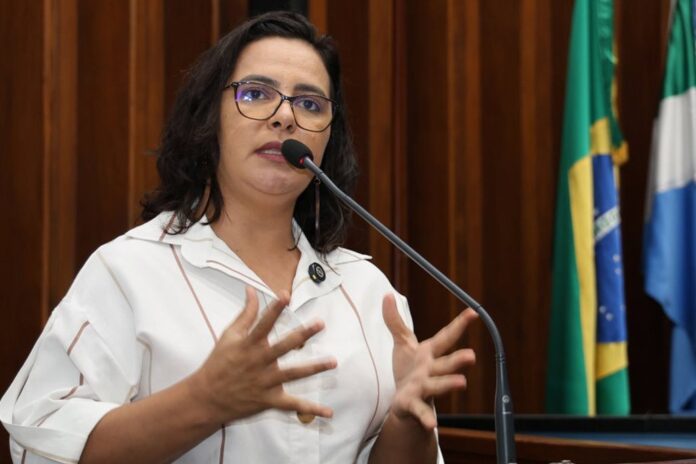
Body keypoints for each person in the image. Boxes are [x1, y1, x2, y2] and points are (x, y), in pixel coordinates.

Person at [0, 11, 477, 464]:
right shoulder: (127, 272)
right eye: (256, 94)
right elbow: (42, 446)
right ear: (210, 117)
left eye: (310, 104)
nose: (285, 117)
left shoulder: (369, 292)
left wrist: (407, 421)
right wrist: (204, 401)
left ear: (327, 139)